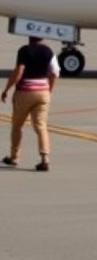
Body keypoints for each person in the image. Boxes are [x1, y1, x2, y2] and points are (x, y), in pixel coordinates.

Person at [1, 35, 59, 172]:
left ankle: (14, 157)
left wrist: (7, 89)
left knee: (17, 125)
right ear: (42, 38)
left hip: (25, 92)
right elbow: (55, 72)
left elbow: (19, 72)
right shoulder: (49, 51)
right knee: (41, 126)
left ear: (29, 37)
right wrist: (49, 89)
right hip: (43, 93)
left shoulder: (24, 50)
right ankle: (45, 158)